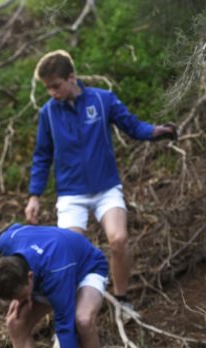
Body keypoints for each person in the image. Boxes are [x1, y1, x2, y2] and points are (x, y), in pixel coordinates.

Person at [25, 49, 177, 315]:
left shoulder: (101, 99)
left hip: (106, 187)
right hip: (71, 194)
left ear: (72, 78)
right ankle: (67, 316)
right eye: (47, 88)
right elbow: (42, 156)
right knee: (67, 253)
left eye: (56, 86)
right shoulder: (48, 114)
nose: (52, 92)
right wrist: (34, 195)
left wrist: (157, 132)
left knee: (118, 240)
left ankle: (122, 300)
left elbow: (132, 125)